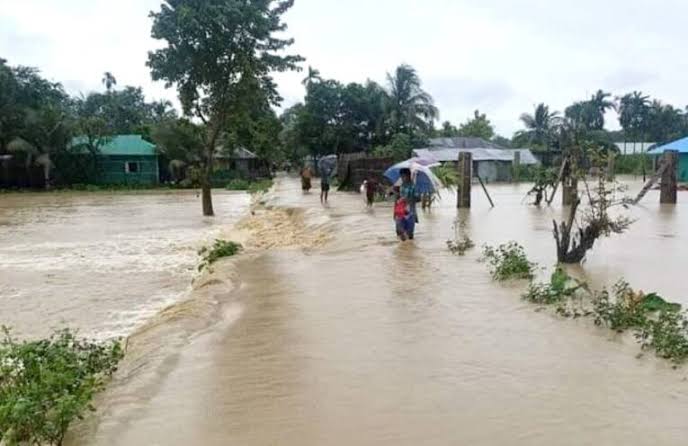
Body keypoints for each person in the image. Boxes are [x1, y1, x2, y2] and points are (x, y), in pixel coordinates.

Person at [399, 168, 419, 239]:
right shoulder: (402, 186)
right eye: (401, 176)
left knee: (410, 234)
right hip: (402, 211)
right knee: (401, 233)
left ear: (408, 176)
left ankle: (410, 247)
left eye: (403, 176)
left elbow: (418, 199)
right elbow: (400, 198)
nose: (402, 178)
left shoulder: (413, 186)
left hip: (411, 212)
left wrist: (408, 199)